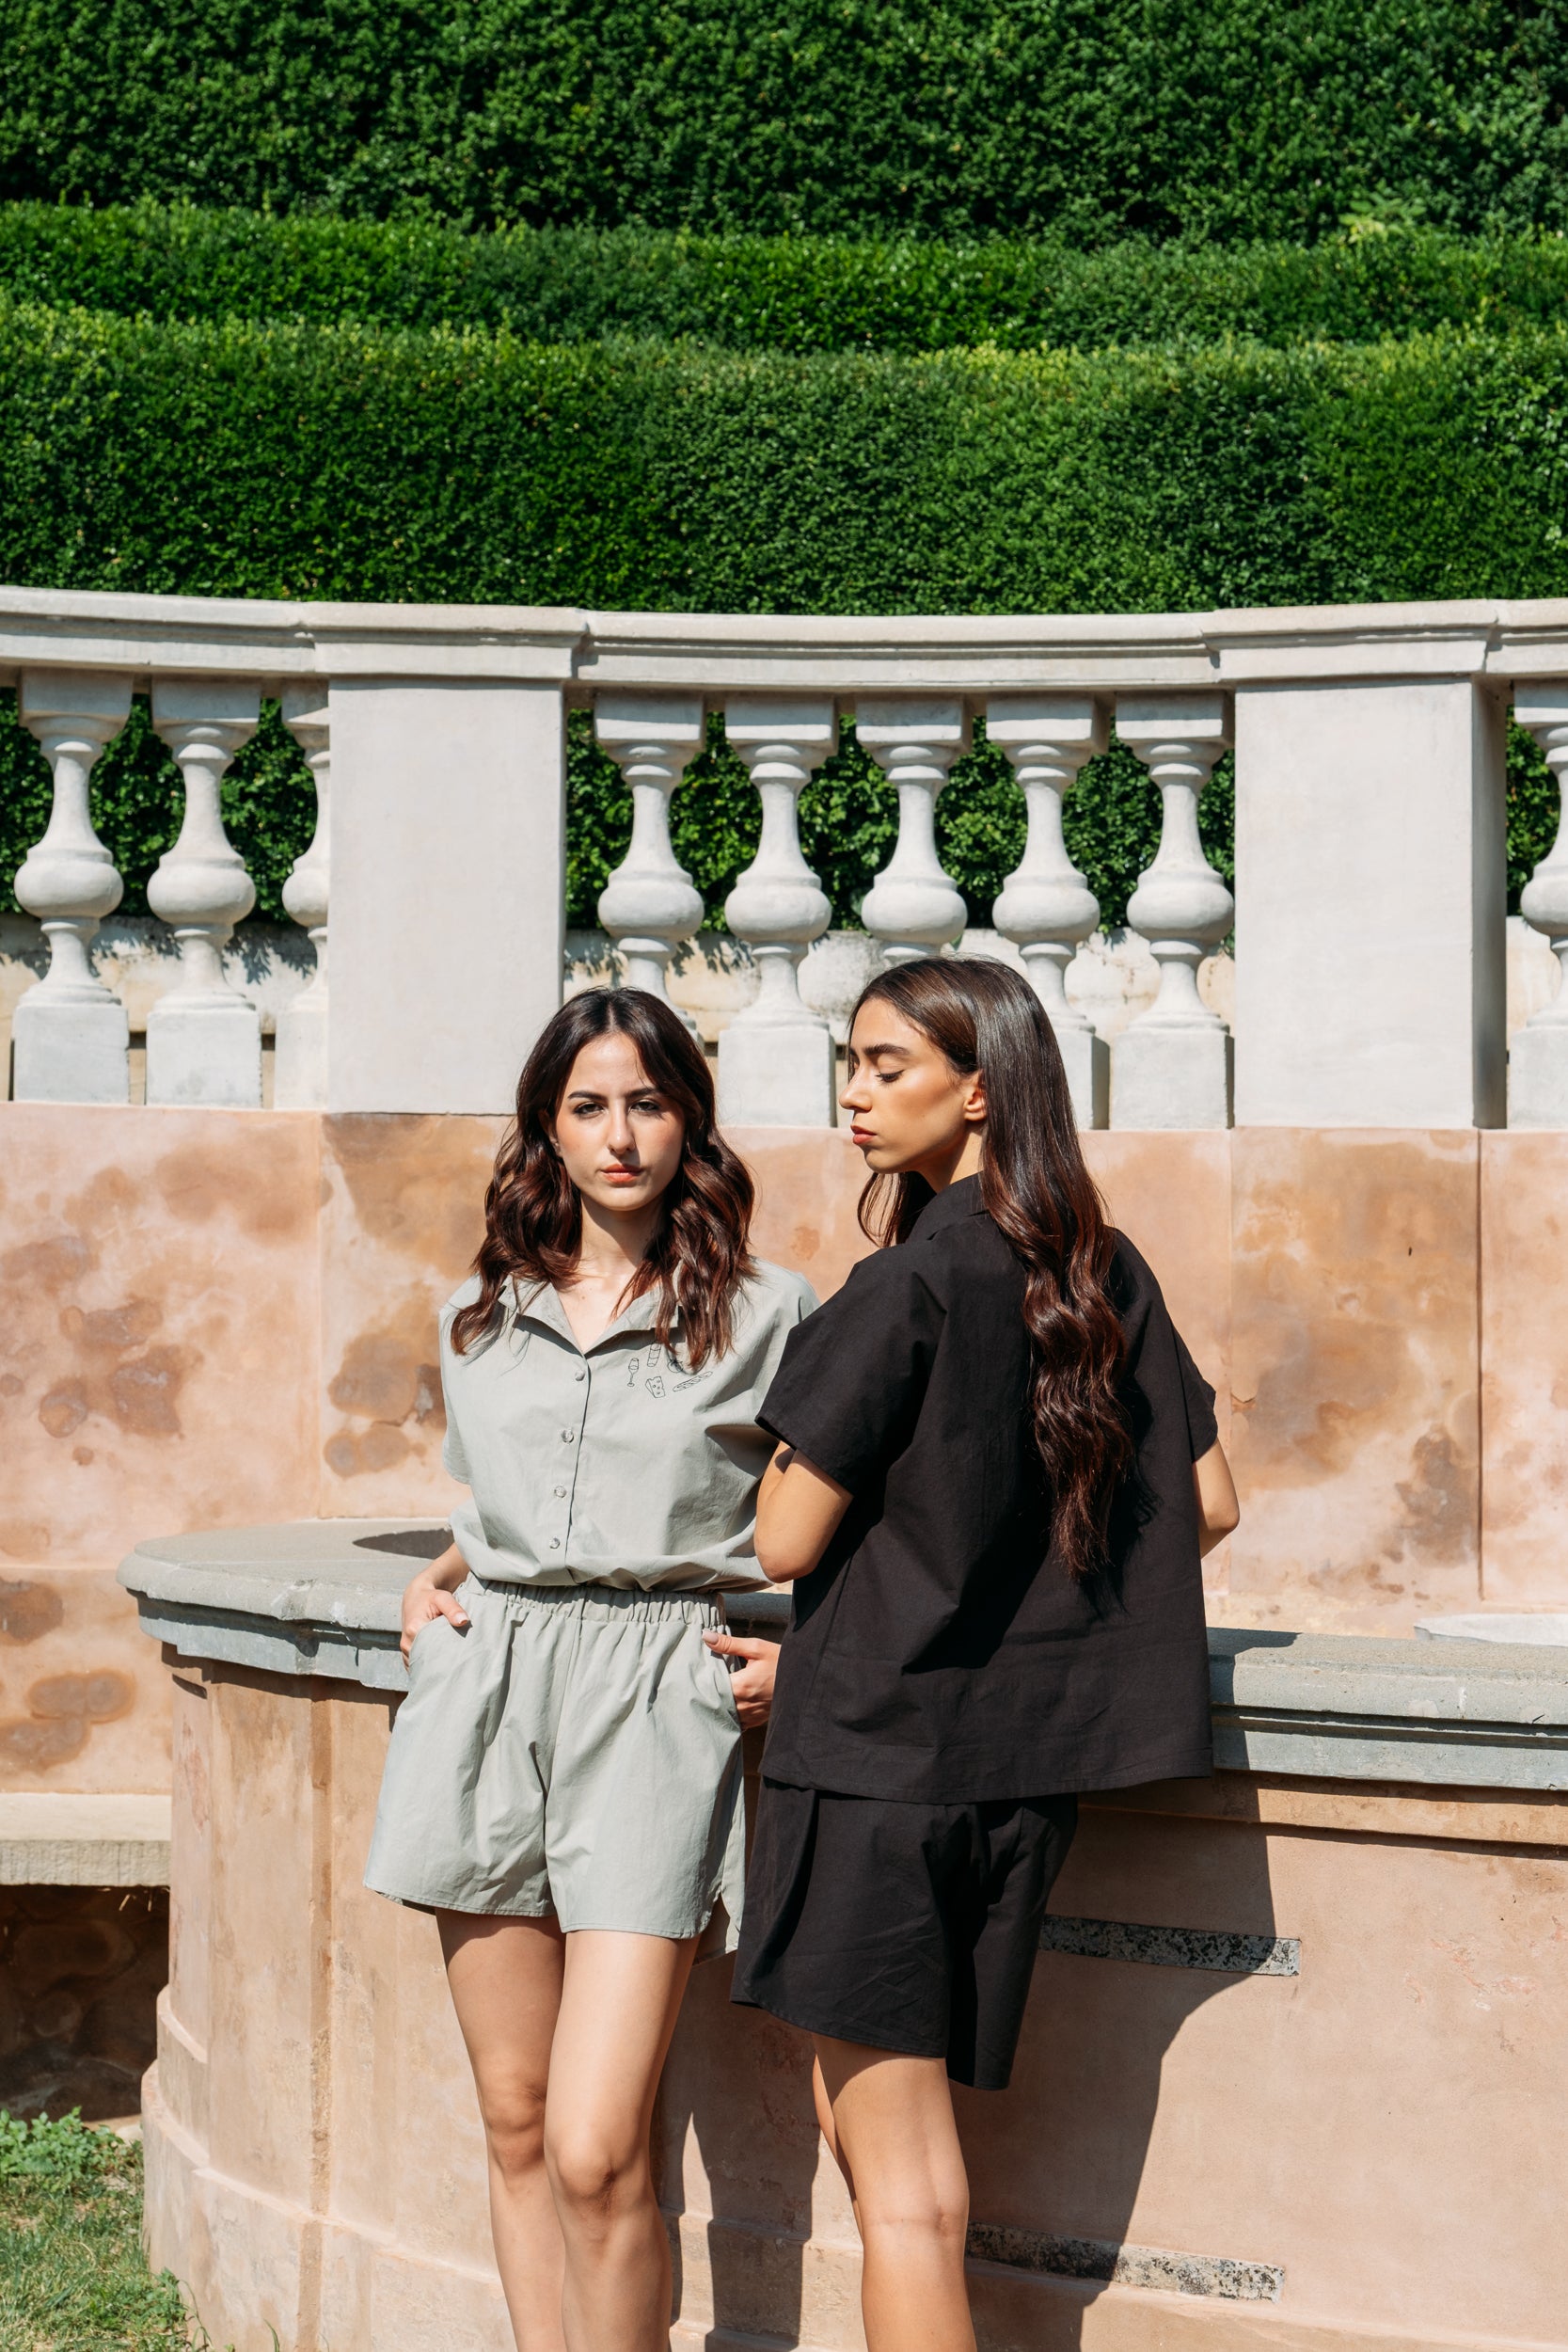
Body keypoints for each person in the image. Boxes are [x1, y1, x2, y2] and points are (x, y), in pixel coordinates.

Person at [733, 955, 1240, 2352]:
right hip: (1020, 1785)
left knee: (903, 2192)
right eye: (851, 1063)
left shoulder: (906, 1284)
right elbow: (1206, 1504)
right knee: (897, 2152)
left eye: (887, 1065)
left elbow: (783, 1540)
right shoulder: (1105, 1270)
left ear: (978, 1089)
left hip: (880, 1780)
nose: (854, 1091)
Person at [364, 987, 813, 2352]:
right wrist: (441, 1574)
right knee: (514, 2119)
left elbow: (842, 1518)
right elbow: (504, 1494)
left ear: (691, 1121)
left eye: (649, 1104)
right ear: (546, 1128)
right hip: (489, 1687)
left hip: (655, 1693)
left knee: (596, 2144)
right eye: (589, 1106)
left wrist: (802, 1655)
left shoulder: (768, 1312)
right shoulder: (479, 1310)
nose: (621, 1137)